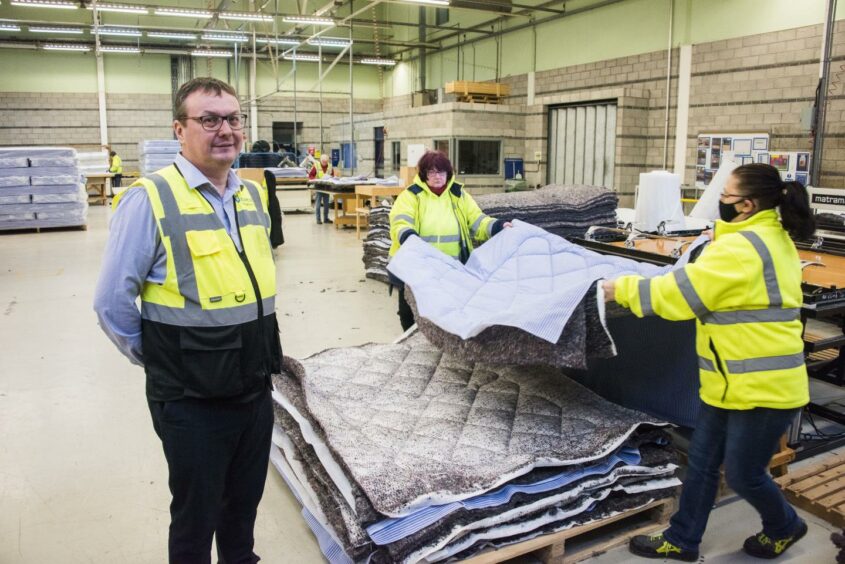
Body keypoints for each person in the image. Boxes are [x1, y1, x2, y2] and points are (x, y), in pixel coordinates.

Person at [93, 77, 282, 564]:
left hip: (254, 385)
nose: (226, 130)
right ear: (180, 129)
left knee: (242, 511)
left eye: (234, 119)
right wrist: (164, 362)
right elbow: (112, 304)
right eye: (209, 119)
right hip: (192, 399)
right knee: (197, 518)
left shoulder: (250, 196)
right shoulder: (149, 198)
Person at [602, 163, 813, 561]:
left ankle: (785, 525)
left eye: (726, 196)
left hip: (764, 388)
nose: (720, 202)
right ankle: (682, 540)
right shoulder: (762, 236)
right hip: (730, 381)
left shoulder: (743, 247)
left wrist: (621, 289)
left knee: (744, 474)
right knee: (700, 464)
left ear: (747, 205)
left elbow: (682, 295)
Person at [388, 150, 511, 330]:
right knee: (410, 312)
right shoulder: (411, 196)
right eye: (431, 172)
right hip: (416, 267)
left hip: (451, 269)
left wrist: (498, 227)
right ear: (424, 174)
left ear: (448, 173)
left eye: (441, 172)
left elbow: (477, 220)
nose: (437, 176)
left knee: (446, 313)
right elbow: (400, 222)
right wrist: (409, 237)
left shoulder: (458, 195)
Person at [309, 153, 336, 225]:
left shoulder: (330, 166)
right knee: (318, 204)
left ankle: (326, 219)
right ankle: (318, 219)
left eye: (326, 162)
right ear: (321, 160)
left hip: (327, 187)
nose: (325, 163)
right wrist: (315, 180)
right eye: (323, 162)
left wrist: (331, 178)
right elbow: (311, 175)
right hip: (319, 187)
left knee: (326, 204)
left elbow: (332, 175)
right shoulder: (316, 165)